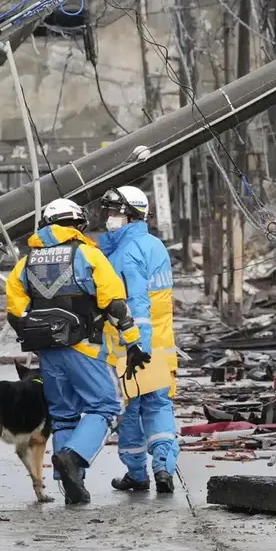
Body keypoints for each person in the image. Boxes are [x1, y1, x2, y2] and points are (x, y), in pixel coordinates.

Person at [5, 198, 150, 505]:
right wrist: (133, 341)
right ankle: (75, 456)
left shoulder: (26, 263)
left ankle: (72, 485)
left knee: (63, 416)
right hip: (86, 348)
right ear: (78, 225)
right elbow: (115, 303)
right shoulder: (88, 254)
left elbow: (15, 312)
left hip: (48, 352)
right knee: (107, 406)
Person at [98, 186, 181, 494]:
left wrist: (136, 347)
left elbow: (136, 305)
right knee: (159, 407)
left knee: (129, 412)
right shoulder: (155, 246)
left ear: (131, 214)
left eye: (115, 212)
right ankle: (163, 467)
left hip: (131, 349)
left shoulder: (125, 251)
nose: (110, 218)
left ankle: (137, 473)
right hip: (160, 346)